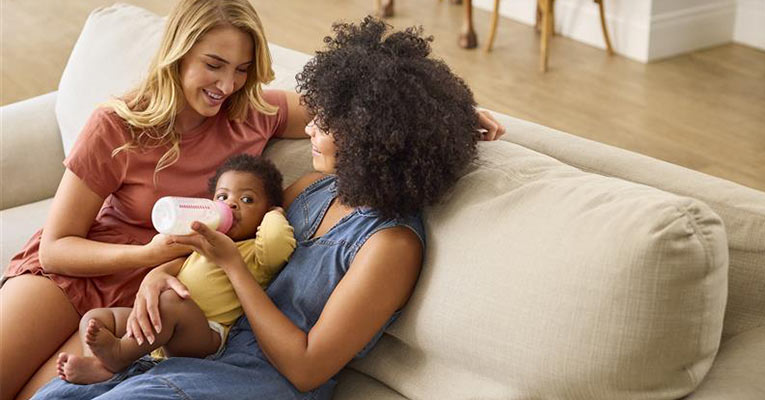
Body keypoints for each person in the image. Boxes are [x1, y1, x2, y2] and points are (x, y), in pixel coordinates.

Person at [0, 0, 505, 397]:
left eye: (242, 69)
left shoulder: (253, 113)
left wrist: (451, 113)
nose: (228, 85)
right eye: (214, 65)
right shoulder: (116, 125)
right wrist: (150, 260)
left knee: (47, 393)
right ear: (178, 54)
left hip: (159, 293)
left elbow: (375, 104)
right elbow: (57, 247)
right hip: (83, 269)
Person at [55, 153, 296, 385]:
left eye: (247, 200)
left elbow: (278, 239)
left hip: (205, 333)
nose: (231, 204)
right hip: (164, 323)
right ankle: (98, 366)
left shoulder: (257, 252)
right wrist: (159, 271)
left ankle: (119, 354)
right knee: (96, 317)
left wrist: (274, 213)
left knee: (171, 302)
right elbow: (177, 266)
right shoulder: (204, 241)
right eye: (222, 197)